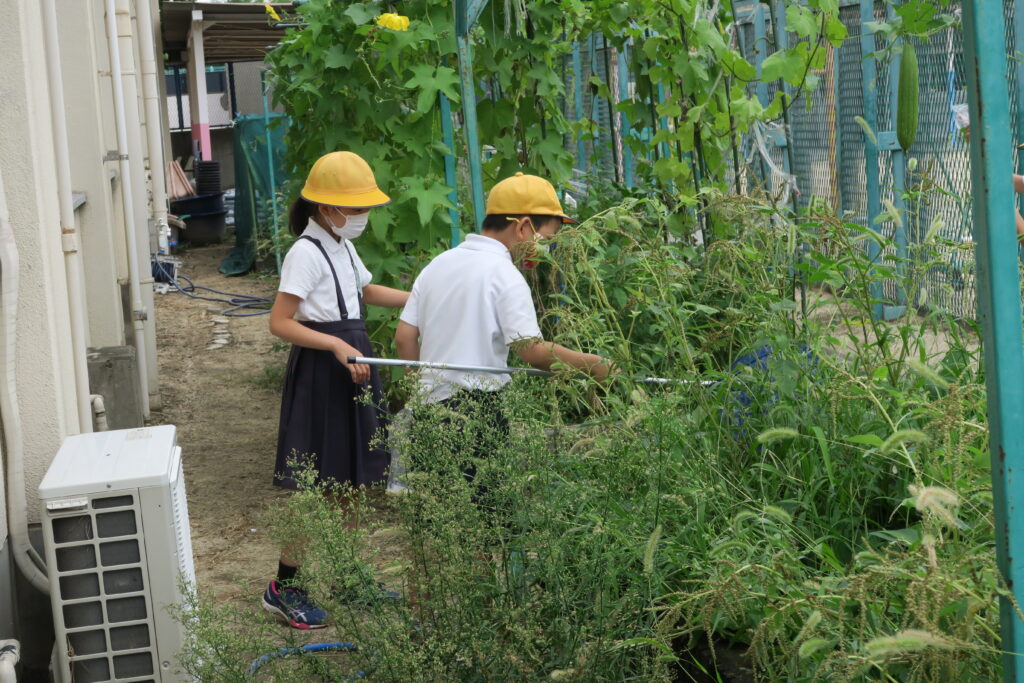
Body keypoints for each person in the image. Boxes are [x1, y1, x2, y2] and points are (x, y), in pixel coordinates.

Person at [394, 172, 612, 520]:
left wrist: (418, 390)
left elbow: (404, 336)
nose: (547, 248)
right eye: (547, 237)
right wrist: (594, 365)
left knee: (438, 525)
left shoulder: (439, 264)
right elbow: (532, 351)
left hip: (427, 411)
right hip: (476, 411)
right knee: (484, 523)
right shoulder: (504, 274)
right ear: (524, 227)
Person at [262, 151, 409, 629]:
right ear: (326, 208)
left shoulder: (342, 245)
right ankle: (283, 588)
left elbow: (365, 292)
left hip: (353, 364)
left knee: (349, 483)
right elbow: (280, 322)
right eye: (356, 207)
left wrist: (424, 298)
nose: (363, 216)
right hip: (324, 373)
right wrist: (333, 345)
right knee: (314, 489)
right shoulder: (304, 253)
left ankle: (349, 577)